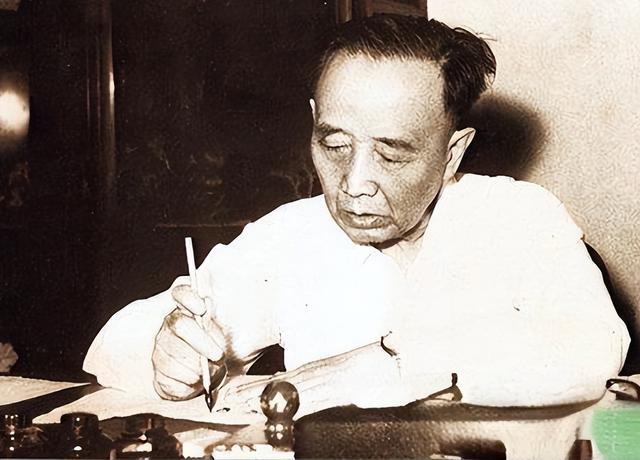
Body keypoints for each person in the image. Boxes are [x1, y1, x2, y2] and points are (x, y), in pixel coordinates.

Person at [84, 15, 630, 417]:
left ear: (452, 153)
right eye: (335, 145)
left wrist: (390, 364)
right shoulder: (293, 235)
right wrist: (167, 355)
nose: (354, 182)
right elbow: (110, 347)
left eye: (392, 154)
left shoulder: (518, 218)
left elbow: (594, 347)